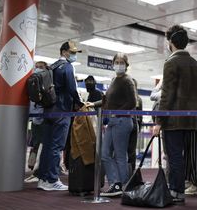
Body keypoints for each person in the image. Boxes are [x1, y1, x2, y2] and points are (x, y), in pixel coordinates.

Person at [152, 25, 197, 203]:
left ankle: (176, 191)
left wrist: (159, 121)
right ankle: (179, 189)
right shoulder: (195, 64)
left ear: (171, 42)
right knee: (182, 156)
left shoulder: (171, 62)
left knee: (174, 157)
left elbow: (167, 94)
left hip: (173, 120)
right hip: (190, 120)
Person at [87, 53, 136, 197]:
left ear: (126, 65)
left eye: (122, 62)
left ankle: (123, 186)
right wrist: (94, 104)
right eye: (117, 62)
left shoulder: (128, 80)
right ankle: (116, 183)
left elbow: (132, 102)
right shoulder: (115, 79)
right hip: (114, 121)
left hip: (122, 121)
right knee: (104, 154)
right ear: (113, 63)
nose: (119, 64)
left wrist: (116, 112)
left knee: (120, 155)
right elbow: (107, 99)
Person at [37, 41, 84, 191]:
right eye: (72, 52)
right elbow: (71, 88)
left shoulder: (53, 66)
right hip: (62, 110)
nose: (74, 55)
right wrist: (80, 103)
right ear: (64, 52)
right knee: (57, 146)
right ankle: (52, 180)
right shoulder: (68, 67)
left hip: (49, 110)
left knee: (47, 145)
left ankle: (42, 179)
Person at [24, 61, 47, 183]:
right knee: (35, 144)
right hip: (34, 119)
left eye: (41, 67)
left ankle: (39, 172)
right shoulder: (33, 83)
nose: (37, 69)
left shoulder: (46, 83)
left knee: (42, 145)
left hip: (43, 119)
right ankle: (33, 169)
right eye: (36, 67)